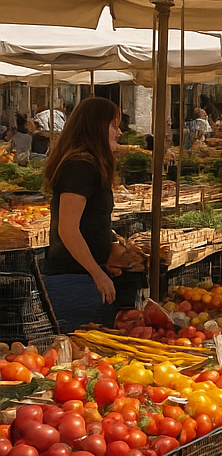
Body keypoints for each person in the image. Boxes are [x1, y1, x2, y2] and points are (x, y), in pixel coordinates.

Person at [40, 98, 126, 332]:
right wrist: (97, 273)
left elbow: (90, 222)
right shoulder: (80, 166)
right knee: (81, 357)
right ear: (97, 127)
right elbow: (67, 229)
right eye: (114, 125)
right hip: (74, 281)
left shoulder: (89, 165)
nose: (119, 132)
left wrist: (106, 254)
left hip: (84, 277)